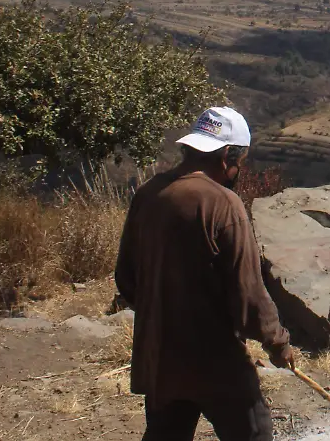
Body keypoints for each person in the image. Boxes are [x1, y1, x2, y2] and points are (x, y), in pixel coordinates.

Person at [116, 106, 295, 441]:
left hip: (160, 356)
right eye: (239, 162)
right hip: (214, 359)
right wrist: (277, 342)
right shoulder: (223, 204)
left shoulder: (149, 194)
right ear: (228, 155)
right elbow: (249, 292)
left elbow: (126, 278)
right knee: (254, 433)